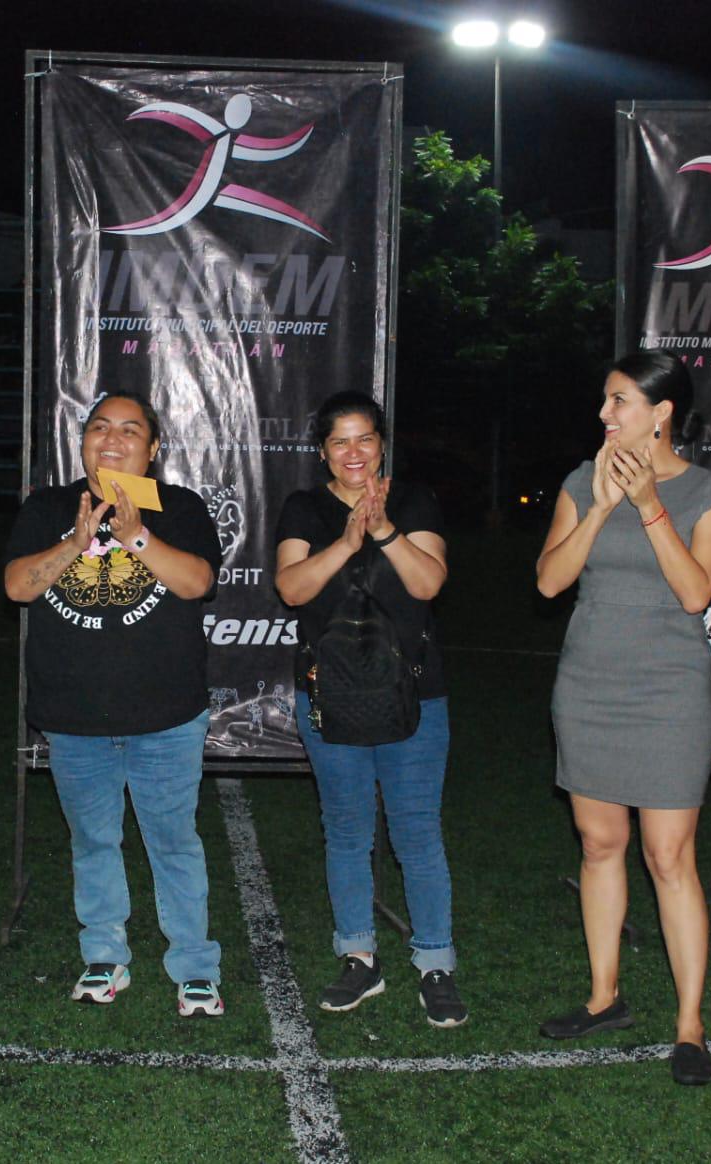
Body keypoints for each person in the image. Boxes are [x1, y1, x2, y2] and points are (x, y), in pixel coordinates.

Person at [534, 352, 711, 1085]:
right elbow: (550, 580)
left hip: (666, 690)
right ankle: (603, 996)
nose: (604, 415)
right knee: (597, 843)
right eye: (603, 400)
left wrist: (647, 502)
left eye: (618, 401)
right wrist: (599, 506)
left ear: (660, 412)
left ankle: (689, 1026)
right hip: (588, 683)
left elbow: (692, 593)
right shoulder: (576, 482)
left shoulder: (710, 494)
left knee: (668, 856)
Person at [3, 392, 226, 1017]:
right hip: (75, 714)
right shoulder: (48, 505)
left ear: (153, 449)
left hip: (166, 714)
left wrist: (134, 535)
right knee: (93, 841)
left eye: (130, 430)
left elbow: (197, 582)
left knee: (174, 841)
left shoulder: (179, 506)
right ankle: (104, 956)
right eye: (100, 427)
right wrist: (77, 541)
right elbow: (17, 587)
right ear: (82, 440)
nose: (112, 439)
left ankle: (194, 965)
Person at [274, 391, 467, 1029]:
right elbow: (293, 588)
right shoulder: (305, 507)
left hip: (414, 692)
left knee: (416, 830)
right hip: (331, 695)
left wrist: (383, 531)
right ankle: (358, 955)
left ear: (381, 442)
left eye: (364, 439)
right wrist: (346, 540)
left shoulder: (412, 501)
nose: (352, 453)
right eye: (339, 442)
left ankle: (435, 962)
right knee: (348, 830)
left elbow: (429, 583)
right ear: (322, 450)